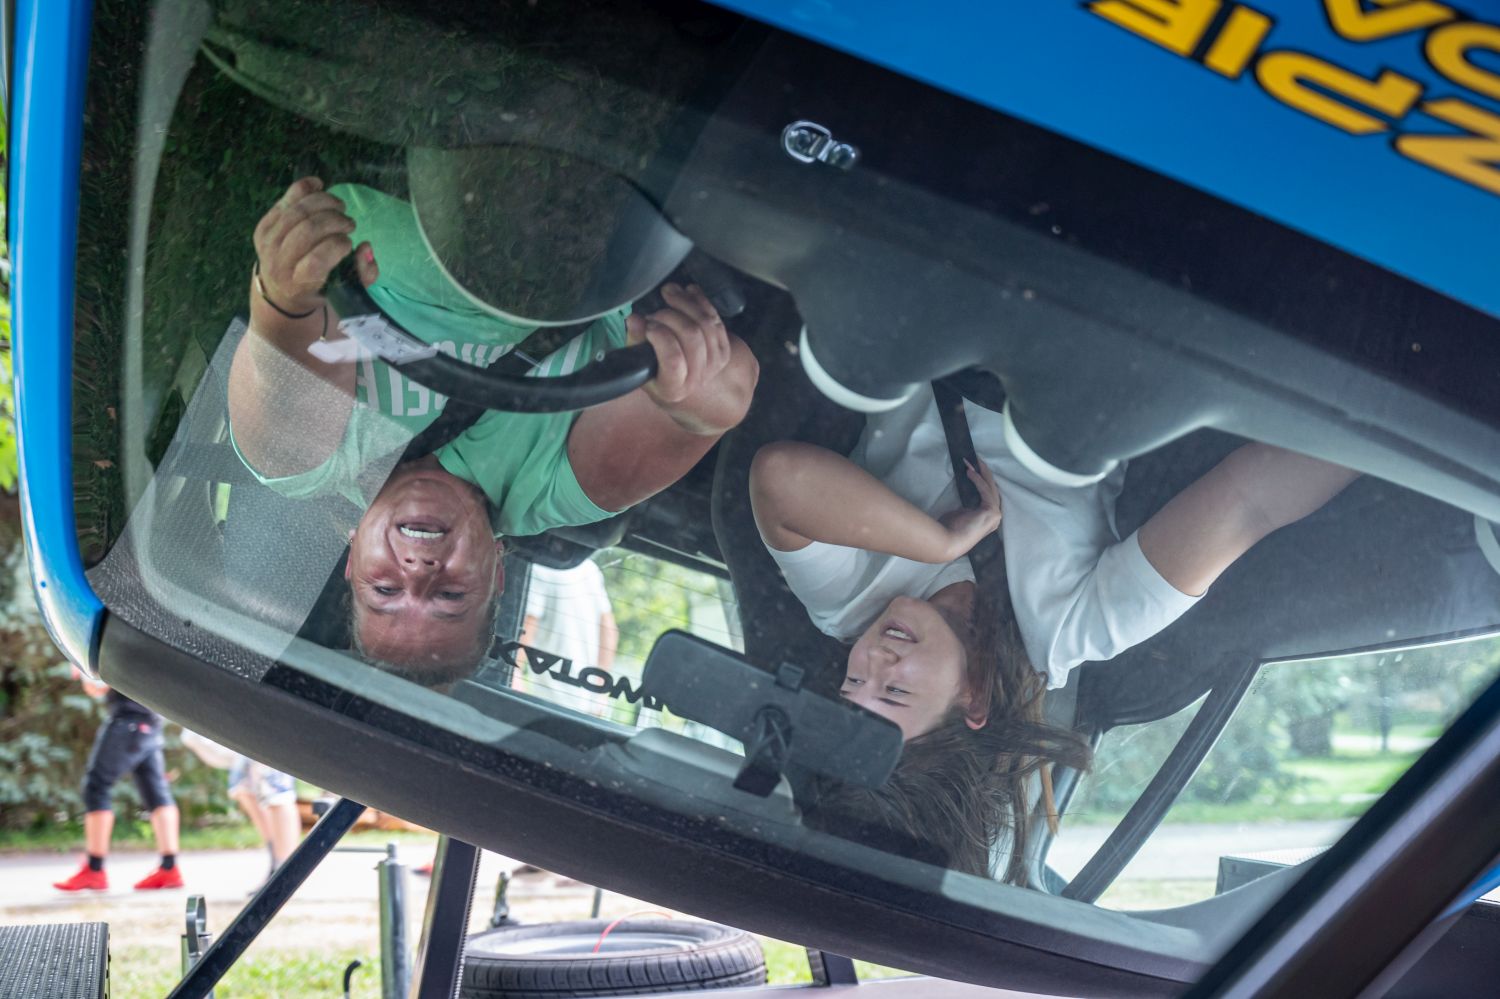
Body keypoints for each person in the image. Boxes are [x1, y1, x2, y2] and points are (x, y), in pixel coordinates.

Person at [749, 385, 1358, 878]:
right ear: (974, 701)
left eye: (852, 684)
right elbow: (1251, 502)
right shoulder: (1079, 627)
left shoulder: (846, 606)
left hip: (930, 313)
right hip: (1075, 353)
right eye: (896, 691)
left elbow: (780, 476)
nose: (872, 659)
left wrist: (939, 542)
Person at [228, 177, 758, 686]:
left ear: (352, 561)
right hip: (617, 201)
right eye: (450, 595)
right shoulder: (552, 493)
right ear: (496, 574)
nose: (418, 569)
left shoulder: (304, 462)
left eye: (385, 589)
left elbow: (291, 317)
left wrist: (287, 288)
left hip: (406, 161)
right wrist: (690, 383)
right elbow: (726, 394)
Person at [53, 672, 184, 891]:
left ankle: (94, 870)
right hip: (150, 723)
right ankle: (169, 868)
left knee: (96, 786)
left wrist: (85, 670)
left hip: (128, 722)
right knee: (157, 793)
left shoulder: (120, 649)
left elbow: (96, 687)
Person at [518, 560, 619, 710]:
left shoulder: (539, 568)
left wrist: (516, 691)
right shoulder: (588, 568)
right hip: (586, 704)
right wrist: (600, 692)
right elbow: (609, 631)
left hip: (547, 704)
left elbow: (522, 637)